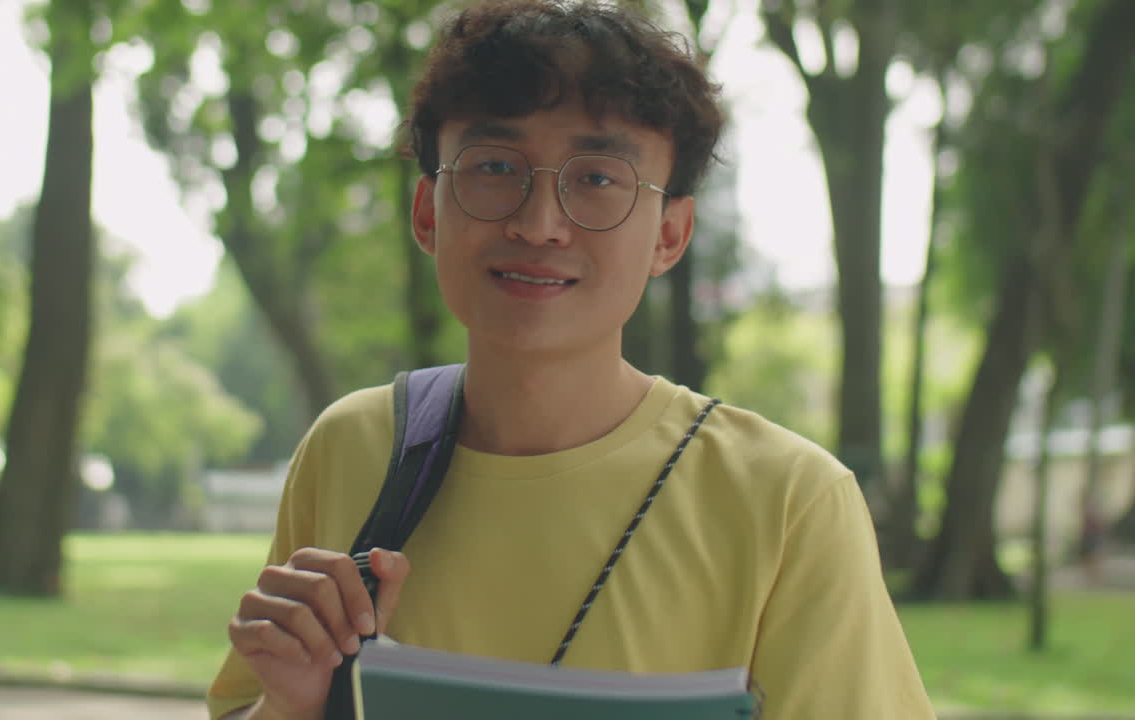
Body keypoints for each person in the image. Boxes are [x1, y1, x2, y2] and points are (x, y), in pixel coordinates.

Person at [208, 1, 935, 718]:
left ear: (670, 236)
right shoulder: (352, 449)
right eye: (495, 166)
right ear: (429, 212)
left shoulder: (787, 503)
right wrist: (291, 704)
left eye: (596, 179)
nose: (539, 223)